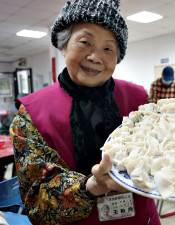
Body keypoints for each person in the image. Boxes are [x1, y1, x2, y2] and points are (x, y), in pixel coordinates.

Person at [9, 0, 160, 224]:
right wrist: (92, 186)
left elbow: (160, 156)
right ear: (63, 44)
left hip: (142, 219)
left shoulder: (139, 99)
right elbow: (35, 202)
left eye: (108, 48)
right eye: (85, 42)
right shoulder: (31, 115)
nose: (95, 57)